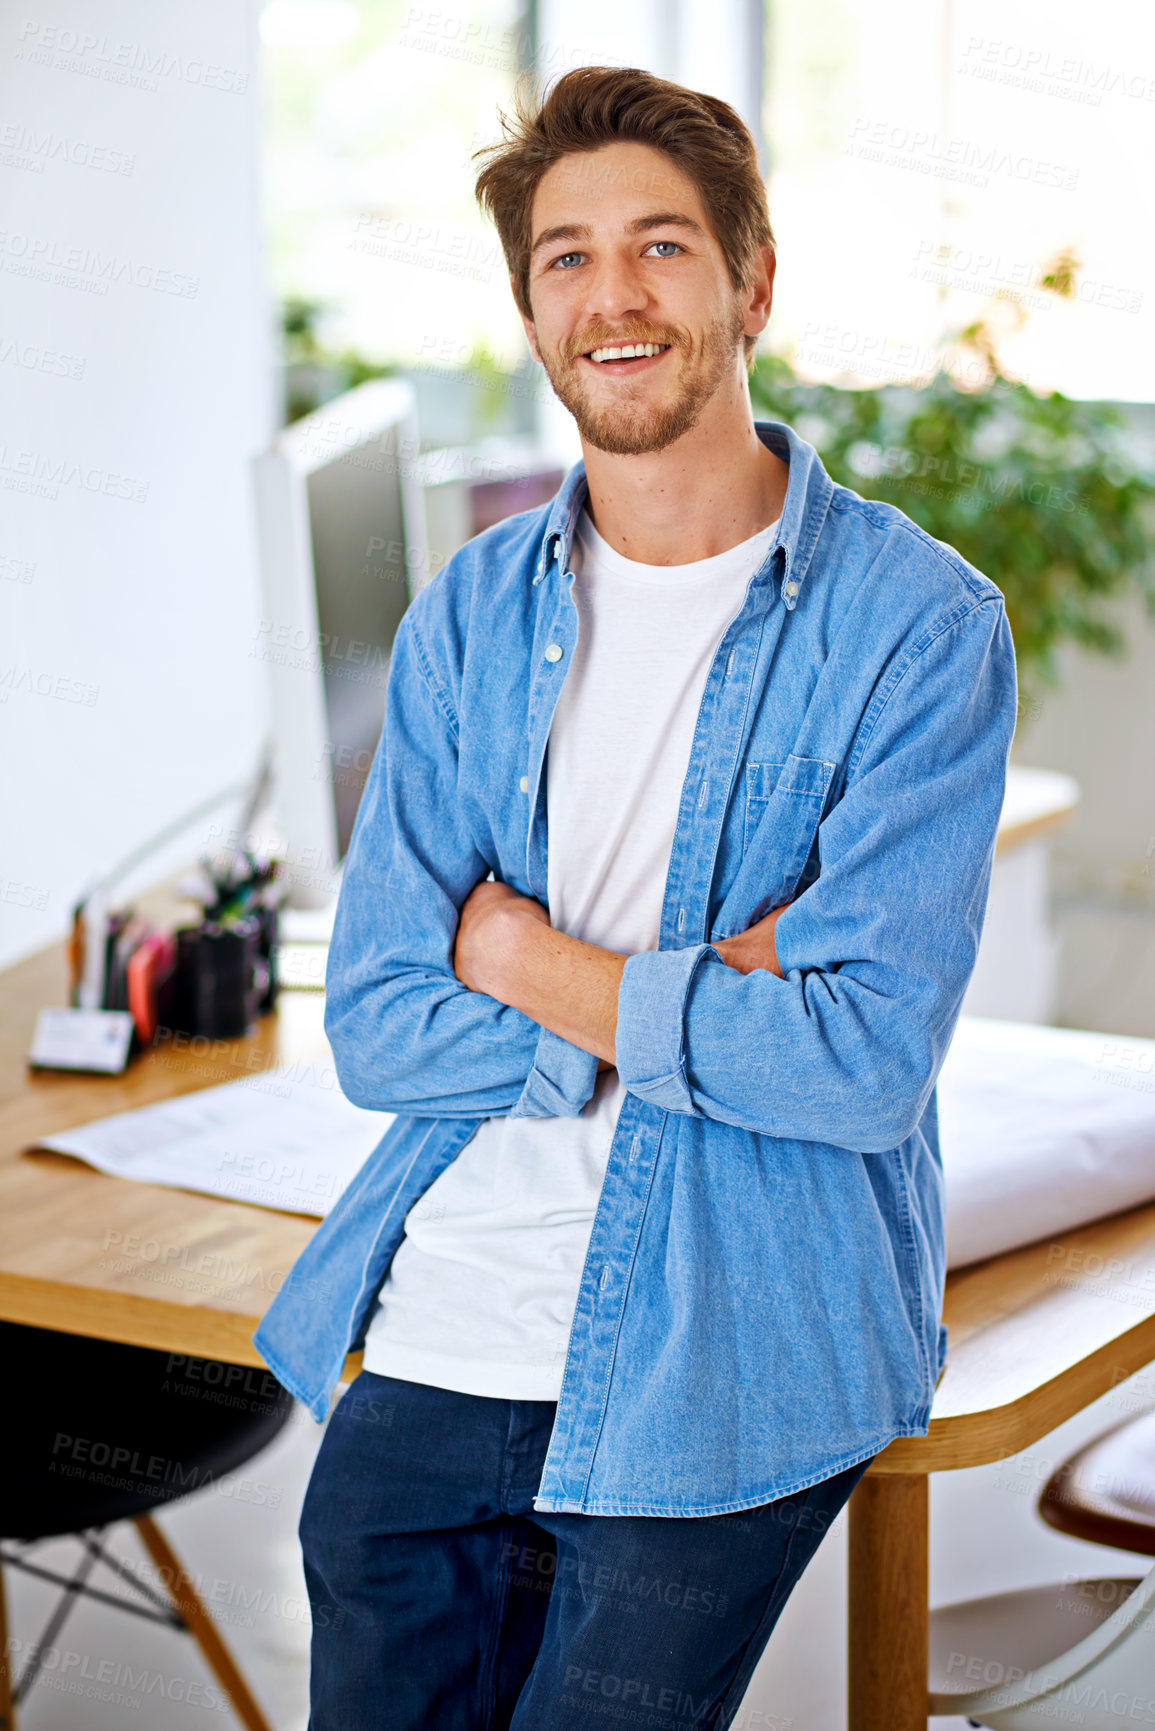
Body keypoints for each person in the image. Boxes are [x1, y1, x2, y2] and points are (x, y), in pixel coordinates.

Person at [255, 64, 1018, 1729]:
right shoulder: (471, 613)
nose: (613, 298)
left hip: (722, 1356)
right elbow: (379, 1023)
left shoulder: (915, 629)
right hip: (444, 1324)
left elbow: (862, 1061)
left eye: (661, 249)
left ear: (751, 281)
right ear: (531, 308)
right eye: (564, 259)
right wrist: (688, 1001)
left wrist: (524, 958)